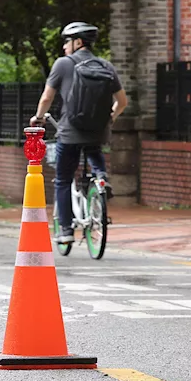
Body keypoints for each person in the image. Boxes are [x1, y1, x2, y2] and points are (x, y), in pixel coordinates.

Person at [30, 22, 128, 244]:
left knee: (63, 179)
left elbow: (47, 97)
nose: (65, 46)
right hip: (98, 131)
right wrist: (109, 119)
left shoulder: (63, 64)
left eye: (67, 41)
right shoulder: (106, 66)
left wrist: (38, 117)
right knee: (94, 149)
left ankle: (65, 230)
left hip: (70, 131)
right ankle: (101, 178)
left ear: (78, 42)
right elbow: (122, 102)